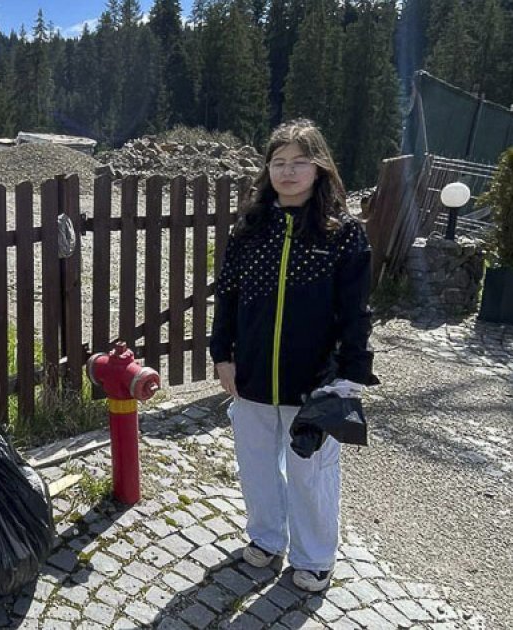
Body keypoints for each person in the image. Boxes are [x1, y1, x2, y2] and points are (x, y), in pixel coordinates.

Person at [209, 119, 379, 592]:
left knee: (311, 472)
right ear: (267, 170)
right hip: (253, 373)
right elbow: (227, 294)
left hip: (315, 380)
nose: (287, 172)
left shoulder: (343, 234)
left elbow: (355, 311)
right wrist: (222, 354)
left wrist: (348, 375)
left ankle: (314, 557)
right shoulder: (250, 228)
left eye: (299, 162)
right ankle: (266, 537)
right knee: (257, 463)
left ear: (319, 167)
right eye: (278, 162)